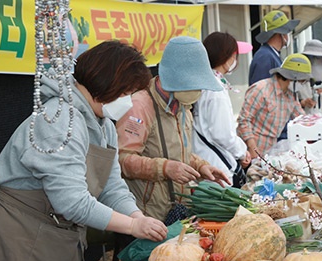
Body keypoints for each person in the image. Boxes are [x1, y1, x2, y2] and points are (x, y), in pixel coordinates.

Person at [0, 40, 168, 261]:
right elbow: (72, 202)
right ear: (108, 83)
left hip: (44, 243)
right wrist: (130, 227)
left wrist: (136, 215)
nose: (128, 101)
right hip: (11, 236)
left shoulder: (102, 122)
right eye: (126, 92)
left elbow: (112, 184)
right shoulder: (59, 120)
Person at [117, 36, 230, 223]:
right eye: (195, 84)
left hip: (176, 212)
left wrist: (201, 166)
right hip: (145, 216)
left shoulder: (183, 105)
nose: (198, 91)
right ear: (177, 79)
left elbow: (178, 151)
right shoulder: (140, 105)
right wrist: (164, 168)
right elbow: (123, 159)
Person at [192, 32, 253, 187]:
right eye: (234, 55)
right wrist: (242, 152)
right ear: (226, 57)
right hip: (218, 168)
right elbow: (223, 134)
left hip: (203, 161)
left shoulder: (202, 81)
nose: (235, 60)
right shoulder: (215, 88)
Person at [237, 53, 310, 158]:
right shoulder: (261, 90)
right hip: (251, 151)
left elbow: (301, 118)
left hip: (271, 151)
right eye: (301, 81)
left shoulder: (291, 95)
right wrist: (253, 150)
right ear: (292, 78)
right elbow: (244, 120)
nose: (302, 85)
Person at [249, 10, 300, 85]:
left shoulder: (272, 54)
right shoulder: (265, 57)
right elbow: (260, 90)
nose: (289, 35)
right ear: (281, 33)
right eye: (287, 31)